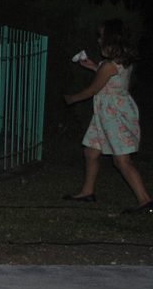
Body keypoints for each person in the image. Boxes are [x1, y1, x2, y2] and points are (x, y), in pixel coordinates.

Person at [63, 19, 151, 213]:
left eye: (101, 36)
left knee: (122, 161)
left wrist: (72, 98)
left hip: (114, 117)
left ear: (111, 40)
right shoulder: (119, 62)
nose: (98, 40)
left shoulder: (109, 66)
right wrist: (94, 67)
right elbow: (110, 76)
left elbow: (93, 90)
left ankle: (145, 201)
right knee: (91, 152)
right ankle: (87, 192)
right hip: (105, 115)